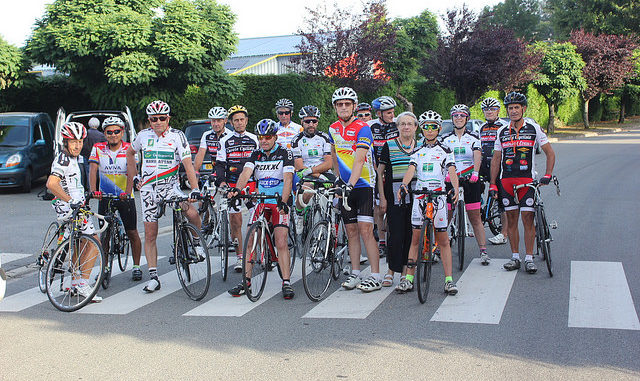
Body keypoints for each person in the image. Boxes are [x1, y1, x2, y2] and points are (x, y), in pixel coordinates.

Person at [125, 100, 203, 293]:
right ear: (149, 120)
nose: (158, 122)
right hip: (149, 190)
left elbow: (187, 164)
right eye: (154, 119)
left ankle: (196, 243)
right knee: (150, 234)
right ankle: (153, 276)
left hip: (171, 188)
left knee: (192, 213)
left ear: (168, 118)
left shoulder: (177, 136)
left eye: (161, 118)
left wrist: (194, 188)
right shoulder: (142, 136)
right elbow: (130, 154)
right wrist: (135, 177)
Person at [227, 119, 295, 299]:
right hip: (261, 200)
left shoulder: (284, 152)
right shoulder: (255, 154)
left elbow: (288, 179)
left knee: (280, 240)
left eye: (267, 137)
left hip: (279, 199)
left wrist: (285, 201)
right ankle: (246, 281)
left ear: (275, 137)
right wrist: (237, 189)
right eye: (261, 137)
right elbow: (245, 174)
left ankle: (286, 282)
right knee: (250, 238)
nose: (264, 140)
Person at [490, 92, 556, 274]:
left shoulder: (534, 128)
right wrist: (493, 184)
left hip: (527, 181)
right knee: (511, 220)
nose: (513, 111)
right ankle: (515, 257)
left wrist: (548, 175)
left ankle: (528, 258)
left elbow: (550, 152)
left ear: (523, 109)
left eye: (516, 107)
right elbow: (496, 159)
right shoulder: (501, 132)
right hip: (506, 182)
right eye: (510, 108)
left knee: (528, 220)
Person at [396, 110, 460, 295]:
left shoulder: (446, 150)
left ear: (439, 129)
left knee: (443, 240)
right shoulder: (417, 150)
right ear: (421, 129)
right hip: (420, 197)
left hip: (438, 196)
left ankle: (449, 280)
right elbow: (410, 170)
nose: (429, 130)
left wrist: (455, 188)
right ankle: (408, 278)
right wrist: (403, 185)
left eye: (433, 127)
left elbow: (452, 171)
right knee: (415, 239)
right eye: (426, 127)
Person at [328, 87, 381, 292]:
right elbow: (334, 155)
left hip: (363, 185)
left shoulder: (363, 128)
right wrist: (337, 179)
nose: (343, 107)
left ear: (354, 106)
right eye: (339, 104)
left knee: (366, 230)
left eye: (347, 104)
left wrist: (350, 183)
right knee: (350, 231)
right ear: (335, 107)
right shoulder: (332, 129)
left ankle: (375, 274)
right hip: (346, 185)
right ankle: (356, 272)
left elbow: (359, 160)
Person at [46, 122, 102, 302]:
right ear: (65, 142)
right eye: (73, 142)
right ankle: (82, 284)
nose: (77, 145)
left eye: (80, 141)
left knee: (80, 244)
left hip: (75, 206)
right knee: (94, 241)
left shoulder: (72, 158)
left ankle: (74, 282)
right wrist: (71, 201)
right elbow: (51, 184)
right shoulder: (63, 159)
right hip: (71, 209)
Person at [88, 116, 143, 281]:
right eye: (109, 132)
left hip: (125, 196)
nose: (113, 135)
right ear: (104, 133)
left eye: (116, 131)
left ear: (122, 132)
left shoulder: (129, 148)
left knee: (132, 231)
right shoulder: (98, 148)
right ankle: (105, 266)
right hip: (105, 196)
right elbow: (92, 170)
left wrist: (127, 191)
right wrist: (93, 191)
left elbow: (132, 171)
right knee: (104, 234)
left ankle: (136, 266)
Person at [441, 104, 489, 265]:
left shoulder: (473, 137)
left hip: (470, 180)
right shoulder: (445, 138)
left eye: (462, 115)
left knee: (475, 217)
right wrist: (445, 175)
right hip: (451, 180)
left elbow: (477, 155)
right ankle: (435, 248)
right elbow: (442, 158)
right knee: (445, 216)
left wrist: (476, 172)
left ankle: (483, 251)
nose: (459, 118)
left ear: (467, 118)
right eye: (455, 115)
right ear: (452, 118)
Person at [377, 111, 419, 287]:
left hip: (417, 194)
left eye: (410, 124)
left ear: (416, 127)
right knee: (395, 234)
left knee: (411, 234)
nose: (406, 127)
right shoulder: (389, 145)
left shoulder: (421, 145)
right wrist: (383, 198)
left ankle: (405, 271)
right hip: (394, 194)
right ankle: (390, 271)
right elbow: (380, 173)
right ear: (397, 126)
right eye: (403, 124)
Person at [215, 105, 259, 272]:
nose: (239, 123)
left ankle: (258, 252)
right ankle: (240, 257)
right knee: (235, 221)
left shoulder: (254, 139)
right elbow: (220, 165)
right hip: (233, 186)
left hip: (252, 185)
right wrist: (221, 182)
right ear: (231, 123)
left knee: (256, 219)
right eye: (236, 120)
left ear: (246, 121)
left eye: (242, 119)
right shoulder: (225, 141)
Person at [291, 105, 333, 231]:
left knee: (339, 193)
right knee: (306, 189)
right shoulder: (296, 140)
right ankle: (299, 214)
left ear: (317, 122)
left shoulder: (324, 137)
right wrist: (318, 175)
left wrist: (315, 171)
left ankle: (334, 223)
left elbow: (328, 163)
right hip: (305, 173)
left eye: (314, 121)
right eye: (307, 121)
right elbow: (299, 166)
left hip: (323, 171)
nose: (311, 124)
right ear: (301, 122)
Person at [369, 96, 398, 258]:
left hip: (395, 171)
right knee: (380, 209)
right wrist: (374, 168)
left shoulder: (397, 125)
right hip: (377, 170)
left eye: (393, 112)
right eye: (388, 113)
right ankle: (381, 242)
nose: (392, 115)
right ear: (379, 113)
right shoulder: (370, 126)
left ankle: (392, 239)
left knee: (394, 208)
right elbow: (368, 150)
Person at [479, 97, 509, 245]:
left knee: (503, 200)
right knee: (473, 187)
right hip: (484, 164)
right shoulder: (482, 127)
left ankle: (504, 233)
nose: (489, 112)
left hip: (500, 165)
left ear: (498, 111)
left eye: (492, 109)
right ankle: (478, 217)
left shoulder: (504, 126)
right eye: (486, 109)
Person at [194, 107, 228, 180]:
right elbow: (200, 154)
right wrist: (196, 171)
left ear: (225, 120)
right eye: (213, 121)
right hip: (214, 171)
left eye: (219, 121)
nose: (216, 124)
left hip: (228, 172)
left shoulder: (229, 135)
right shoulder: (207, 135)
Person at [80, 116, 106, 187]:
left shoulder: (85, 134)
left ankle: (90, 189)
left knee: (89, 173)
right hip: (98, 157)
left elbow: (82, 145)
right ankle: (98, 188)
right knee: (99, 173)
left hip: (86, 156)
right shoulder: (101, 135)